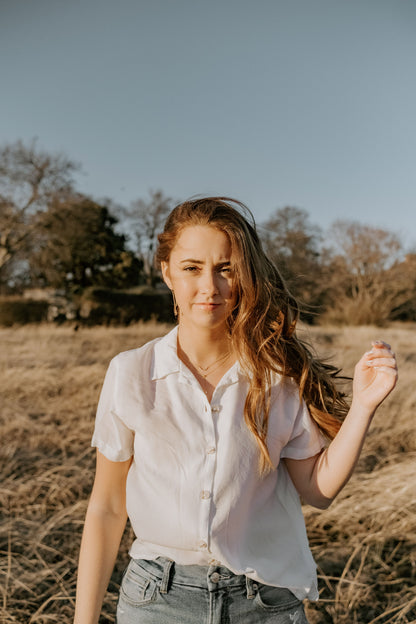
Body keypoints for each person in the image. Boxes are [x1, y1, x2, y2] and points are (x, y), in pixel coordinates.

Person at [74, 197, 398, 624]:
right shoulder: (130, 372)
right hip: (157, 600)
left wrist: (363, 406)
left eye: (225, 269)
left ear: (244, 276)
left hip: (263, 602)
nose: (209, 287)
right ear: (166, 271)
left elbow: (318, 491)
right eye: (192, 268)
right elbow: (107, 507)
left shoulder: (278, 374)